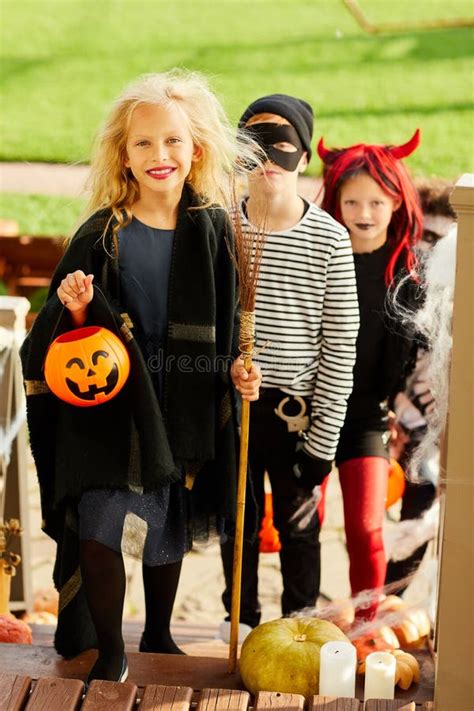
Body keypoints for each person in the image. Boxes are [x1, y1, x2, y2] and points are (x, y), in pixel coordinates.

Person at [20, 70, 261, 683]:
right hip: (110, 404)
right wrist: (75, 308)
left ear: (196, 150)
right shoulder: (102, 234)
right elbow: (51, 334)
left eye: (173, 141)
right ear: (123, 157)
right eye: (145, 144)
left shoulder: (211, 227)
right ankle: (111, 648)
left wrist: (237, 367)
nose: (161, 156)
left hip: (182, 397)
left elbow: (229, 317)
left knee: (166, 521)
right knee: (101, 524)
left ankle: (158, 630)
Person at [219, 94, 359, 637]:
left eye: (281, 151)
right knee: (241, 524)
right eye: (252, 152)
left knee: (300, 531)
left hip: (296, 415)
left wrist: (321, 447)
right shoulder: (223, 228)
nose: (267, 165)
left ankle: (301, 632)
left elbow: (339, 347)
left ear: (302, 158)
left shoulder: (327, 239)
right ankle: (240, 626)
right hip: (236, 407)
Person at [317, 130, 423, 622]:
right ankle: (289, 619)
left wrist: (402, 411)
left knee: (365, 528)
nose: (363, 212)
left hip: (366, 418)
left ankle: (367, 624)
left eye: (376, 202)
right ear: (335, 200)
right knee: (296, 526)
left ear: (397, 201)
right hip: (310, 413)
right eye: (352, 200)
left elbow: (414, 358)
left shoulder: (409, 272)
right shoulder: (318, 256)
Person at [385, 178, 456, 594]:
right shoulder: (402, 282)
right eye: (425, 236)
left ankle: (392, 599)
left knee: (422, 506)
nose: (431, 251)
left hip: (439, 423)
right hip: (398, 412)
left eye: (442, 240)